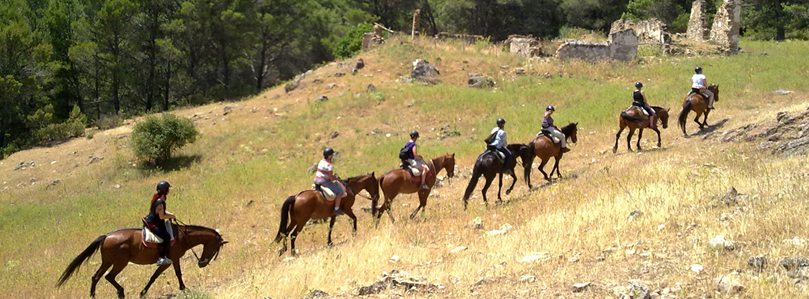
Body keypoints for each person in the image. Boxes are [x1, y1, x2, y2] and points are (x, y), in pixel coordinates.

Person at [144, 181, 176, 266]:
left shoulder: (161, 199)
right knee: (166, 237)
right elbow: (162, 216)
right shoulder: (160, 203)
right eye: (168, 189)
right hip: (154, 223)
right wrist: (171, 216)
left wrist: (171, 215)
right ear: (165, 190)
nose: (169, 190)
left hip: (157, 221)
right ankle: (161, 258)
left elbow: (163, 212)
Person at [315, 148, 347, 215]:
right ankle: (336, 209)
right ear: (330, 156)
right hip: (324, 182)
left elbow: (325, 173)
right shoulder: (329, 165)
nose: (333, 156)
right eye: (332, 155)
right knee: (340, 192)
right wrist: (337, 178)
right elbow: (331, 178)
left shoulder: (321, 161)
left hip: (316, 180)